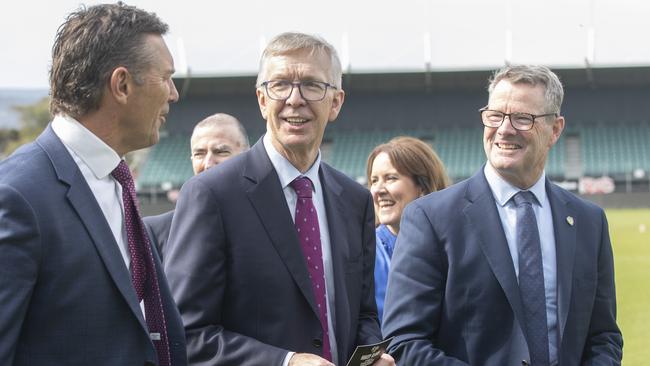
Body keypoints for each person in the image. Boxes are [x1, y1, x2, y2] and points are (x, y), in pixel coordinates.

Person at [164, 32, 394, 366]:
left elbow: (364, 315)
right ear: (261, 99)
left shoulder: (355, 201)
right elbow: (185, 332)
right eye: (280, 84)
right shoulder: (211, 195)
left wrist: (371, 353)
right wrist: (284, 362)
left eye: (313, 85)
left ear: (336, 103)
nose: (295, 98)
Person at [382, 65, 623, 365]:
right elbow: (404, 342)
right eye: (495, 116)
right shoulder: (431, 218)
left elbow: (604, 337)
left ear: (555, 130)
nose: (505, 129)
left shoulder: (590, 222)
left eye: (523, 118)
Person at [0, 3, 187, 365]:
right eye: (165, 77)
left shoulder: (117, 180)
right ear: (121, 85)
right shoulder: (18, 197)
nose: (174, 93)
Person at [366, 136, 450, 323]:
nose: (377, 190)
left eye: (390, 178)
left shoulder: (454, 246)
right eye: (374, 180)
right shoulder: (367, 251)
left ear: (422, 187)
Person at [143, 113, 249, 258]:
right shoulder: (155, 232)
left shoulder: (270, 225)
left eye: (221, 152)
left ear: (247, 158)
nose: (208, 164)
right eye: (200, 154)